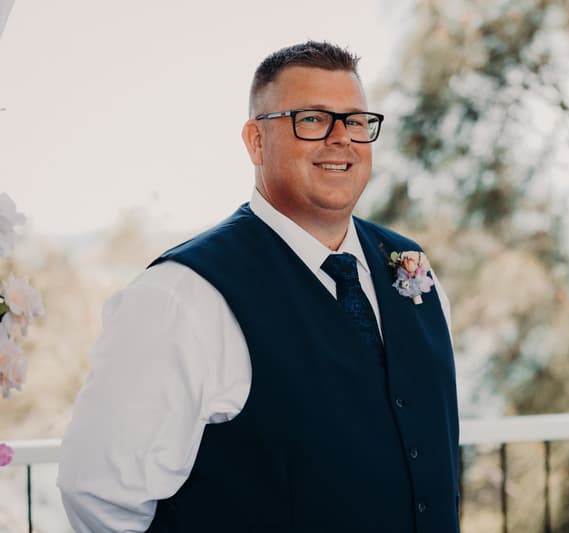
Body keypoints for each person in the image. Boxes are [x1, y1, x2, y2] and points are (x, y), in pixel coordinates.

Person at [57, 41, 460, 532]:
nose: (342, 140)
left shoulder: (410, 267)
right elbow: (98, 496)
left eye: (355, 121)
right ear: (255, 141)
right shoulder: (180, 297)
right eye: (311, 119)